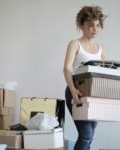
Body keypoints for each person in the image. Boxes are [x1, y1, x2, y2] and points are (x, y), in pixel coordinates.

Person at [63, 6, 108, 150]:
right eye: (90, 26)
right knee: (86, 135)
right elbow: (67, 68)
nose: (95, 29)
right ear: (81, 26)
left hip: (94, 95)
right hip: (76, 91)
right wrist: (73, 89)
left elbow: (106, 73)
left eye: (97, 25)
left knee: (90, 135)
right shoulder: (75, 44)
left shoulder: (101, 49)